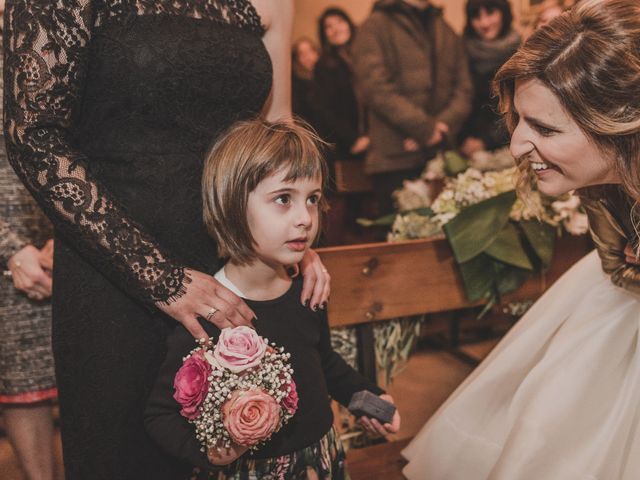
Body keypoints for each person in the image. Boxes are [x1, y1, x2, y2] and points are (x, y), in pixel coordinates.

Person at [3, 1, 330, 479]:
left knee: (249, 446)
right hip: (111, 267)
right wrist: (161, 278)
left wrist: (293, 229)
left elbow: (277, 125)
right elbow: (34, 137)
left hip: (236, 257)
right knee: (126, 455)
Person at [402, 1, 640, 478]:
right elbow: (617, 262)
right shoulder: (604, 188)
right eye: (519, 119)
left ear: (623, 123)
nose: (515, 146)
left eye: (546, 128)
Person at [144, 119, 401, 479]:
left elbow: (322, 361)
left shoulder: (307, 290)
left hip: (320, 461)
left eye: (312, 199)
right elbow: (159, 416)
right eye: (284, 199)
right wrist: (208, 452)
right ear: (233, 203)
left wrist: (367, 397)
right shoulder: (209, 312)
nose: (305, 218)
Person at [1, 1, 58, 476]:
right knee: (23, 385)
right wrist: (10, 248)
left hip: (75, 236)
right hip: (8, 241)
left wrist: (75, 235)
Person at [352, 0, 473, 215]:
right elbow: (375, 88)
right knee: (400, 240)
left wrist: (440, 127)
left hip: (440, 154)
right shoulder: (375, 26)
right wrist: (424, 128)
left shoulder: (445, 28)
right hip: (394, 157)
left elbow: (464, 88)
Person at [459, 0, 520, 157]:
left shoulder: (519, 52)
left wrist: (486, 141)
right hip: (463, 146)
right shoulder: (460, 51)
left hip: (508, 145)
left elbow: (517, 106)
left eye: (490, 13)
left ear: (503, 13)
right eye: (476, 17)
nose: (484, 23)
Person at [291, 37, 319, 123]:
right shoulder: (296, 85)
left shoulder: (329, 76)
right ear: (296, 59)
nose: (308, 57)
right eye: (302, 54)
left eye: (310, 51)